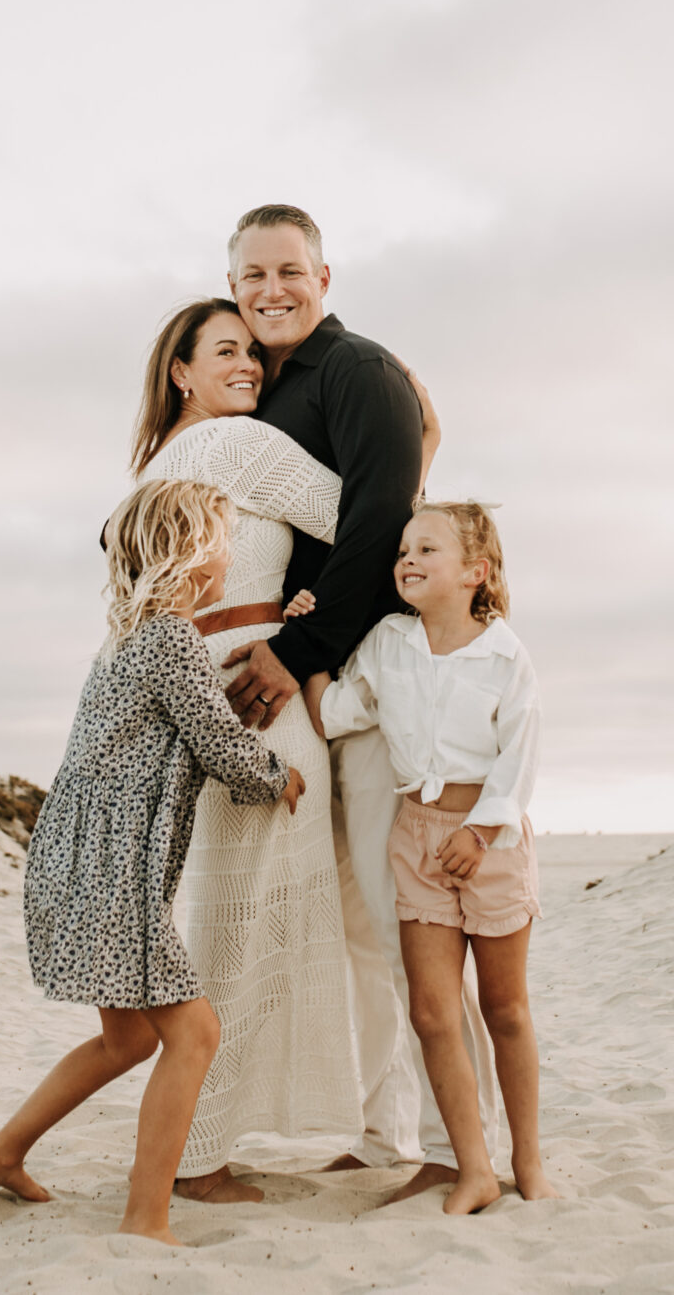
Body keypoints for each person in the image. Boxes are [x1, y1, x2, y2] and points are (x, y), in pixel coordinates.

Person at [215, 203, 503, 1199]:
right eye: (251, 277)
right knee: (354, 928)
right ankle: (389, 1137)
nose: (270, 291)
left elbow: (378, 515)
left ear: (324, 278)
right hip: (319, 683)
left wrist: (294, 649)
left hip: (369, 683)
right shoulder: (264, 395)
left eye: (288, 271)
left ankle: (462, 1145)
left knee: (401, 920)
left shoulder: (359, 372)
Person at [0, 479, 304, 1245]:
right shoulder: (170, 641)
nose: (230, 555)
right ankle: (146, 1217)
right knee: (195, 1032)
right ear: (192, 552)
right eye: (224, 539)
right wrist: (279, 775)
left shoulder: (128, 642)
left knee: (130, 1039)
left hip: (75, 859)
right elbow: (219, 745)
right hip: (113, 869)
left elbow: (190, 710)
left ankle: (0, 1153)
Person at [130, 297, 406, 1200]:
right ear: (181, 371)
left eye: (252, 352)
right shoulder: (241, 446)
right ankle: (201, 1153)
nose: (249, 364)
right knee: (243, 922)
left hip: (202, 680)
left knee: (225, 912)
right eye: (225, 351)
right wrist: (425, 439)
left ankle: (204, 1140)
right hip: (258, 689)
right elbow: (368, 518)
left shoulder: (157, 462)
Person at [321, 501, 556, 1214]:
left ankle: (528, 1160)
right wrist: (305, 638)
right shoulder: (389, 642)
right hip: (416, 837)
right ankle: (473, 1167)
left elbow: (520, 757)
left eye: (426, 548)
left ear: (475, 572)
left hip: (489, 843)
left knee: (505, 1007)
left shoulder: (504, 655)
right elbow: (338, 710)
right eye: (402, 550)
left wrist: (481, 831)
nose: (407, 560)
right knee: (430, 1011)